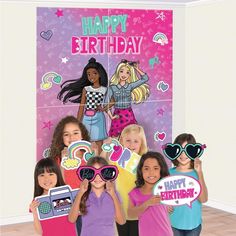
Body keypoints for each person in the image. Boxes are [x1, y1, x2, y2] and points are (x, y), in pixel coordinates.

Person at [49, 115, 90, 235]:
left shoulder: (88, 154)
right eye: (66, 134)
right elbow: (59, 182)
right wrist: (63, 161)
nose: (71, 137)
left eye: (75, 133)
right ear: (61, 138)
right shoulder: (58, 158)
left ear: (82, 135)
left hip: (87, 201)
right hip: (68, 202)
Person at [58, 57, 108, 154]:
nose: (91, 76)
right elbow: (81, 106)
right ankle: (87, 160)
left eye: (94, 73)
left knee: (99, 141)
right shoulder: (86, 89)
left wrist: (104, 108)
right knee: (85, 140)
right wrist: (78, 122)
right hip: (86, 117)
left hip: (98, 117)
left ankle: (100, 160)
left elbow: (112, 102)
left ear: (100, 74)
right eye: (88, 74)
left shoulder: (104, 89)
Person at [68, 156, 126, 236]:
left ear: (107, 174)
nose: (98, 177)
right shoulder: (83, 195)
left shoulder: (114, 194)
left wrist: (113, 195)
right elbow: (71, 219)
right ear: (87, 175)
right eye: (93, 173)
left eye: (102, 173)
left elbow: (121, 221)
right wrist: (80, 193)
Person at [168, 133, 208, 236]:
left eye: (187, 150)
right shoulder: (168, 173)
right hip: (173, 224)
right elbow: (161, 196)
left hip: (193, 225)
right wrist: (165, 205)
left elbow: (203, 199)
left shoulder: (196, 174)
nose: (183, 154)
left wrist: (200, 172)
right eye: (179, 150)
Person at [113, 124, 148, 236]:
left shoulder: (146, 162)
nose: (131, 144)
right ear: (122, 141)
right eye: (128, 140)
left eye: (136, 141)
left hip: (139, 210)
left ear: (141, 143)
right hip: (121, 209)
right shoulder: (117, 160)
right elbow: (106, 171)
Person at [128, 152, 173, 236]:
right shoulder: (135, 192)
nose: (151, 172)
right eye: (146, 168)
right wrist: (147, 204)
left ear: (161, 170)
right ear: (141, 170)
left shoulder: (165, 188)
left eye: (156, 168)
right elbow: (130, 214)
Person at [29, 158, 77, 236]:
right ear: (36, 178)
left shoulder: (68, 195)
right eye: (42, 175)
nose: (46, 178)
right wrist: (35, 213)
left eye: (51, 174)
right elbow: (39, 232)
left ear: (57, 175)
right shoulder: (37, 202)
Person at [103, 59, 150, 138]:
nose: (124, 74)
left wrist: (136, 69)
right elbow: (105, 104)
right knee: (116, 137)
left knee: (131, 136)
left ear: (130, 75)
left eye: (127, 72)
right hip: (117, 115)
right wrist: (111, 116)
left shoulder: (130, 86)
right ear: (118, 72)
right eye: (121, 71)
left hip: (128, 114)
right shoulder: (112, 88)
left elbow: (145, 78)